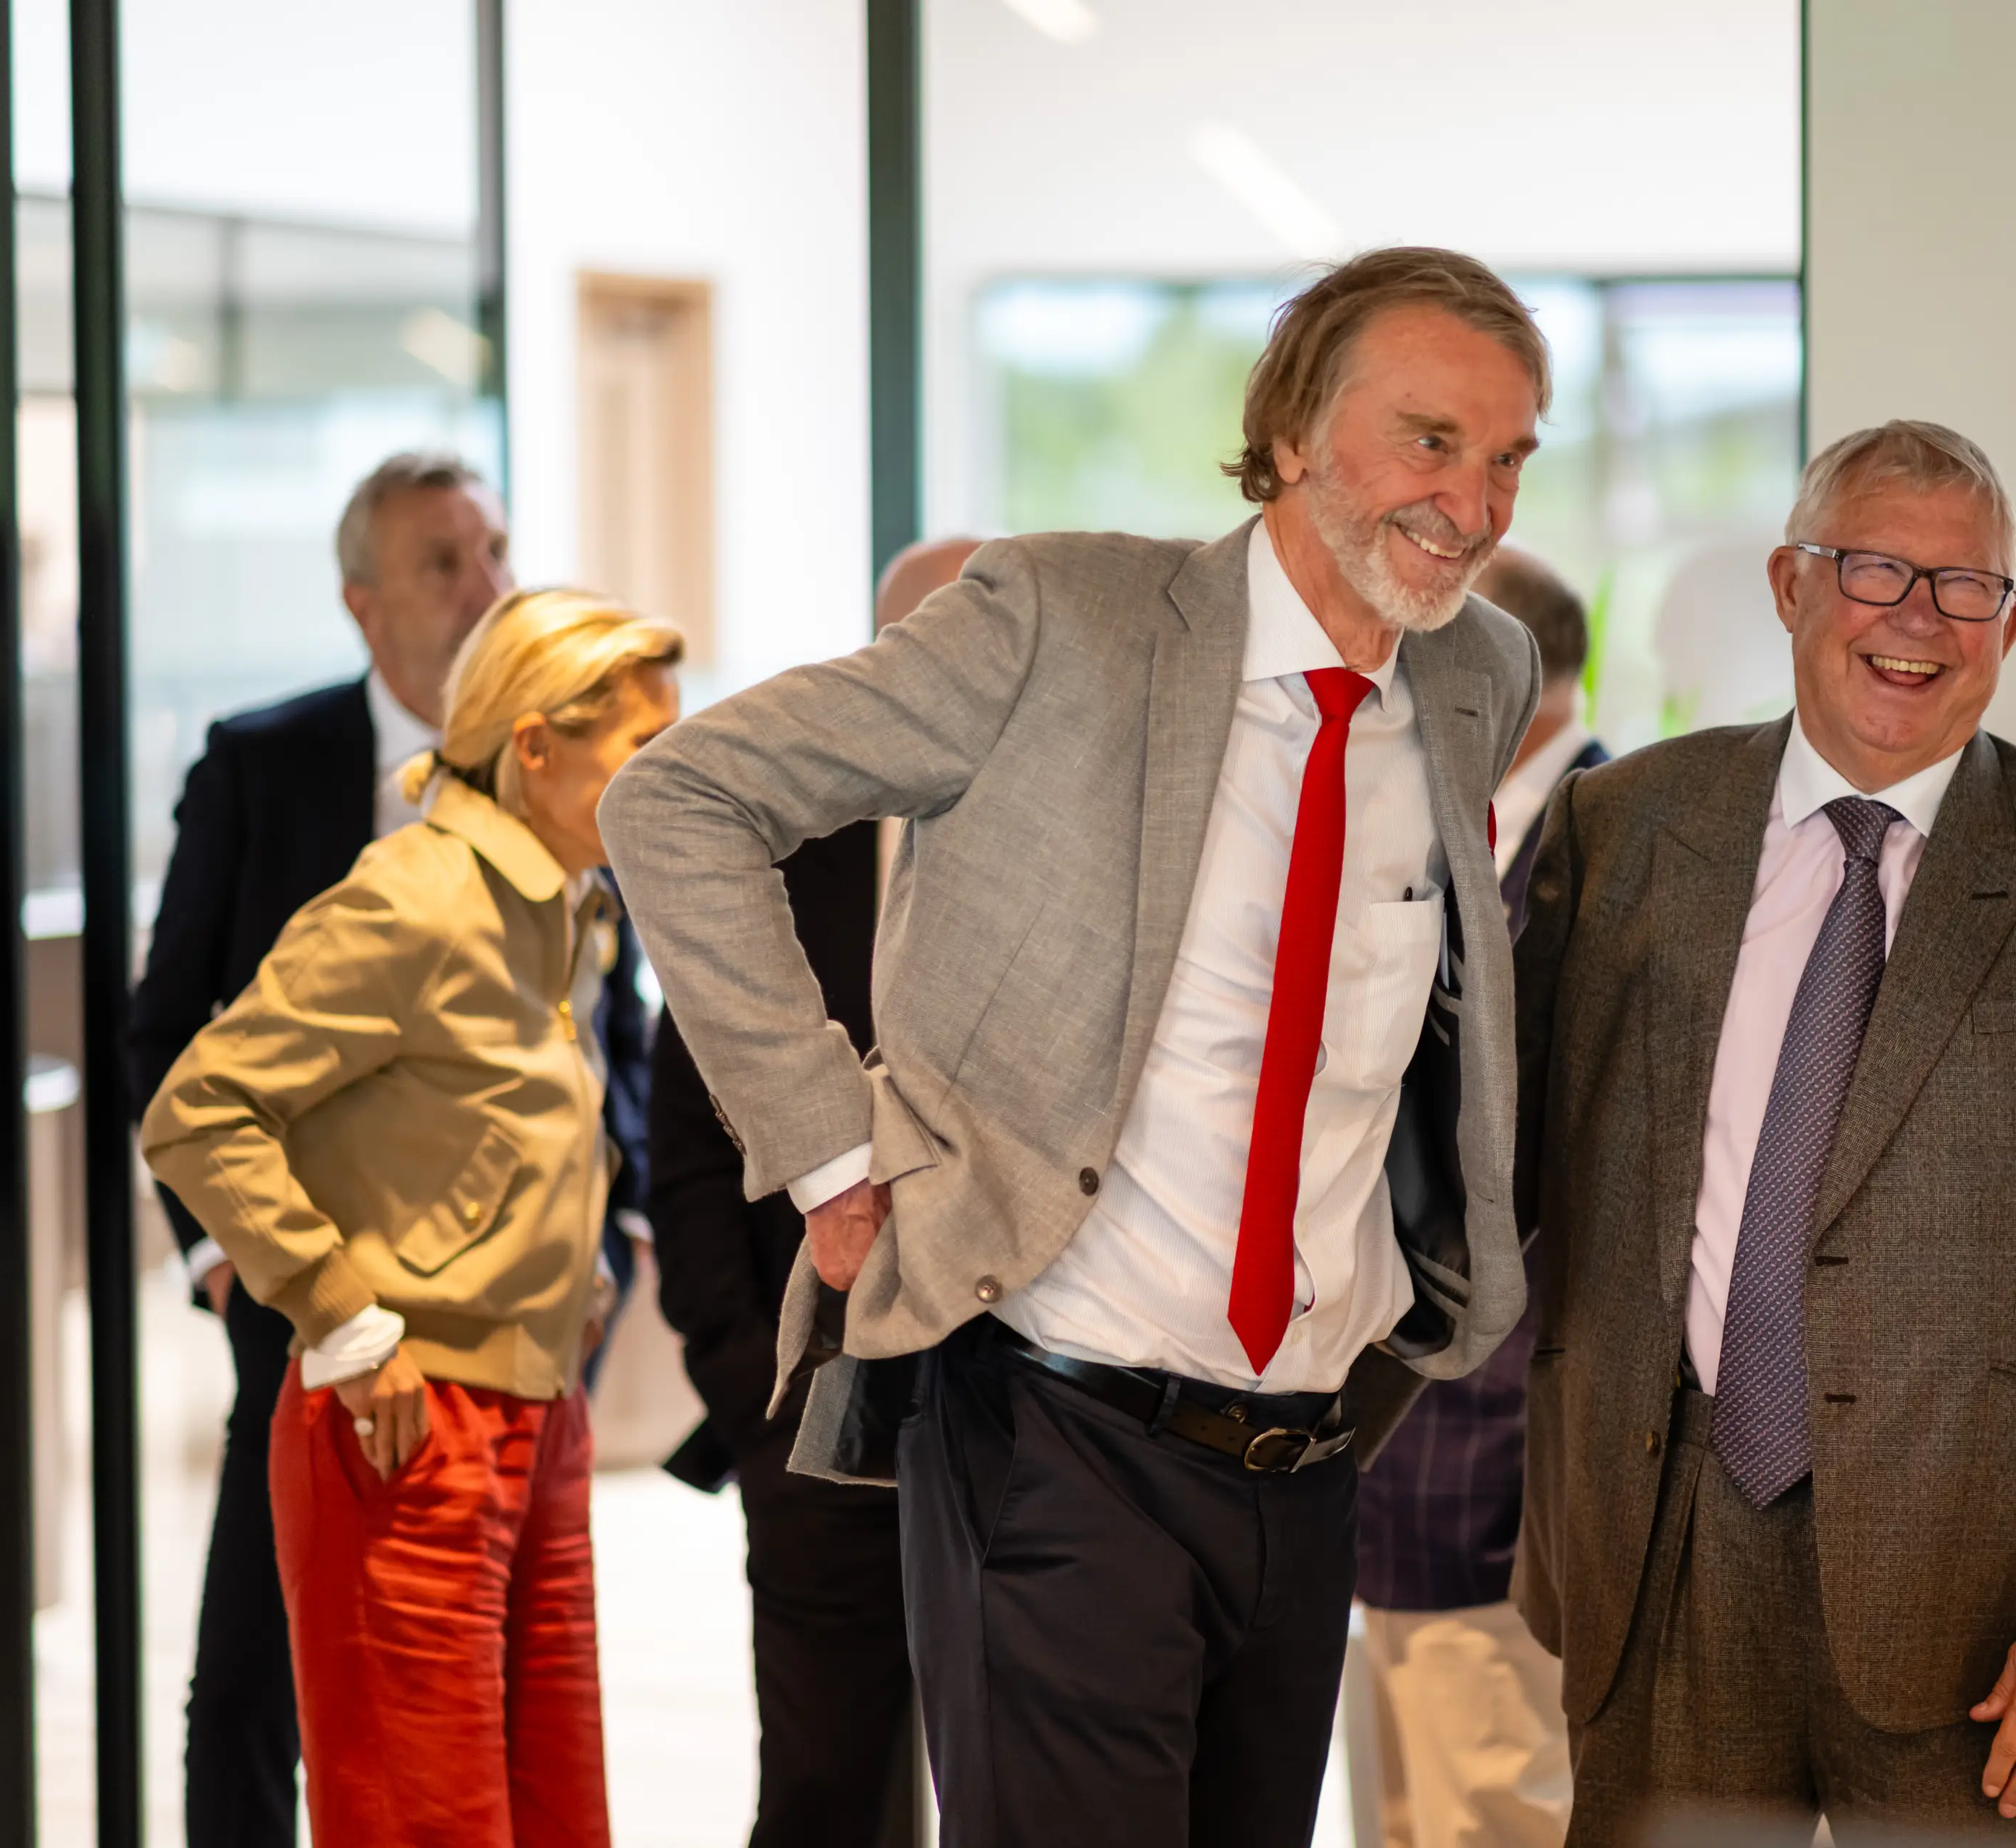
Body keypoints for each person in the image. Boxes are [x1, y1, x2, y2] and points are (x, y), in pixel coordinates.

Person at [599, 245, 1550, 1848]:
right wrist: (832, 1147)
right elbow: (676, 799)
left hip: (1314, 1456)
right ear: (1300, 428)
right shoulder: (1061, 615)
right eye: (1432, 440)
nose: (1475, 502)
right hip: (1059, 1431)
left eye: (1511, 456)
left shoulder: (1475, 674)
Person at [1513, 420, 2016, 1844]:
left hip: (1984, 1600)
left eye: (1963, 586)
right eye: (1873, 571)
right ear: (1792, 585)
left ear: (2011, 622)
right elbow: (1502, 1149)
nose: (1918, 620)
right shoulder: (1622, 826)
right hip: (1660, 1552)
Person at [122, 451, 645, 1847]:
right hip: (353, 1347)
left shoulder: (575, 856)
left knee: (531, 1781)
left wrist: (601, 1246)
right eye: (444, 560)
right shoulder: (287, 783)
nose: (487, 582)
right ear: (363, 601)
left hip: (525, 1362)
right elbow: (181, 1057)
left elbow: (602, 1056)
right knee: (266, 1694)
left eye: (494, 549)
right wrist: (279, 1281)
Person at [643, 533, 979, 1848]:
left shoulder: (1090, 880)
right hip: (816, 1417)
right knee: (827, 1788)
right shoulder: (777, 857)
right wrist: (743, 1379)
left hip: (1041, 1426)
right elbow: (683, 1141)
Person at [1352, 546, 1604, 1848]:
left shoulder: (1608, 843)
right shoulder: (1444, 826)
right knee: (1406, 1808)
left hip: (1502, 1456)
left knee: (1490, 1810)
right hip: (1387, 1446)